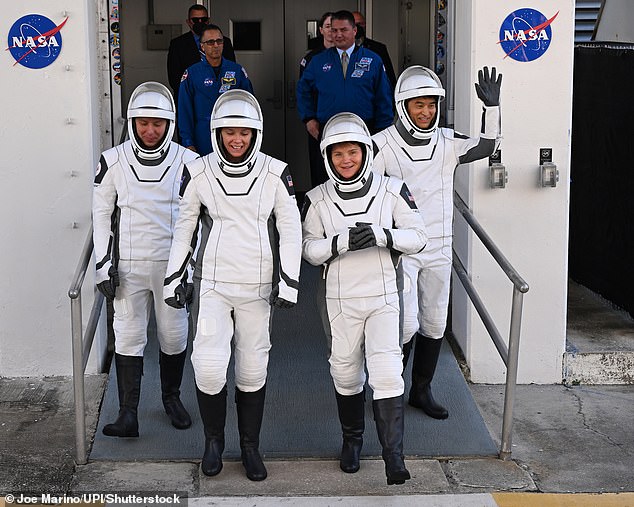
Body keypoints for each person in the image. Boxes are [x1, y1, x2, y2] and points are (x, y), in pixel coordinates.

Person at [164, 90, 302, 481]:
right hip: (213, 284)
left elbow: (291, 229)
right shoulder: (199, 172)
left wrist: (289, 281)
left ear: (255, 133)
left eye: (243, 132)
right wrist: (175, 278)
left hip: (258, 287)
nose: (236, 140)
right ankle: (212, 443)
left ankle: (250, 447)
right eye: (229, 133)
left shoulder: (277, 172)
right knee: (208, 368)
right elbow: (184, 228)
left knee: (252, 368)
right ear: (217, 133)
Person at [301, 112, 427, 485]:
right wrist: (339, 244)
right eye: (338, 154)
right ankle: (352, 441)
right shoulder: (317, 198)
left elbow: (419, 236)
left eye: (352, 152)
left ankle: (393, 457)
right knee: (344, 370)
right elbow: (308, 249)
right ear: (327, 157)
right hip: (340, 299)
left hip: (384, 294)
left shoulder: (392, 190)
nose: (346, 161)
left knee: (387, 371)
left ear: (366, 152)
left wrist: (383, 235)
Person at [372, 65, 502, 419]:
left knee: (433, 323)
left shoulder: (446, 142)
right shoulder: (381, 145)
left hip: (440, 246)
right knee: (404, 324)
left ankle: (421, 390)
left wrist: (492, 109)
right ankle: (388, 390)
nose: (426, 112)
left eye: (431, 105)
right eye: (419, 105)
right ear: (403, 106)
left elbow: (487, 146)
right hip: (401, 248)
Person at [92, 82, 198, 438]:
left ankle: (171, 398)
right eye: (142, 123)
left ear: (169, 124)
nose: (150, 131)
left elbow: (199, 221)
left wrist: (190, 271)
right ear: (133, 122)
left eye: (157, 124)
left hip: (172, 266)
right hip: (129, 267)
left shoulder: (189, 161)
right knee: (128, 336)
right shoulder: (113, 160)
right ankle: (128, 413)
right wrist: (103, 266)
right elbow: (101, 216)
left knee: (173, 335)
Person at [296, 9, 393, 178]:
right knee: (327, 178)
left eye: (343, 30)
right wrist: (309, 119)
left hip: (365, 130)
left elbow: (383, 96)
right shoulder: (318, 61)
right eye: (334, 30)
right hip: (328, 131)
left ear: (354, 31)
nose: (338, 34)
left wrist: (382, 131)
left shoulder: (372, 59)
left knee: (365, 177)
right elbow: (303, 90)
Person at [177, 24, 253, 156]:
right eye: (210, 42)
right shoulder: (192, 74)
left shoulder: (236, 71)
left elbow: (250, 107)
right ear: (202, 46)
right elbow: (184, 111)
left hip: (232, 137)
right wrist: (188, 143)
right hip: (202, 137)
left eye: (219, 41)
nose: (216, 45)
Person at [167, 4, 236, 107]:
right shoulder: (178, 44)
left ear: (208, 21)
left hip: (220, 101)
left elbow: (231, 71)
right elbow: (174, 78)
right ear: (189, 22)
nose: (200, 22)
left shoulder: (224, 42)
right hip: (188, 101)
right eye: (195, 20)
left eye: (203, 19)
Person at [299, 11, 334, 187]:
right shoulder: (311, 59)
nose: (332, 31)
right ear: (321, 30)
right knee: (320, 168)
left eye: (335, 27)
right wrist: (309, 120)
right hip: (319, 123)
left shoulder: (350, 56)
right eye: (328, 26)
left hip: (344, 120)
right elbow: (304, 92)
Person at [352, 11, 397, 92]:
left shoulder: (378, 48)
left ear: (365, 25)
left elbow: (390, 77)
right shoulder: (340, 48)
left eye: (360, 24)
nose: (358, 27)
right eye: (354, 24)